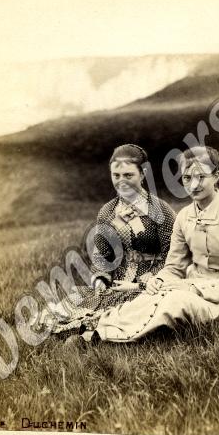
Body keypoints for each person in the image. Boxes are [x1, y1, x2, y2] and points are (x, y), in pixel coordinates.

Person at [87, 145, 219, 342]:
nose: (193, 185)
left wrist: (190, 288)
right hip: (190, 284)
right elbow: (174, 267)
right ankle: (98, 331)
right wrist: (158, 282)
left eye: (201, 177)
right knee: (151, 296)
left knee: (174, 300)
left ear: (216, 175)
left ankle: (114, 339)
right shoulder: (184, 217)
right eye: (186, 178)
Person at [45, 144, 176, 337]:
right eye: (116, 175)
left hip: (151, 282)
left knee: (144, 307)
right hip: (117, 282)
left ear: (143, 173)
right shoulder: (107, 212)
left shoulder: (160, 210)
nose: (121, 181)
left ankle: (99, 331)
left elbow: (173, 253)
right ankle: (90, 328)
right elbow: (103, 254)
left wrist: (150, 279)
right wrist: (100, 279)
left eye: (128, 175)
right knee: (74, 303)